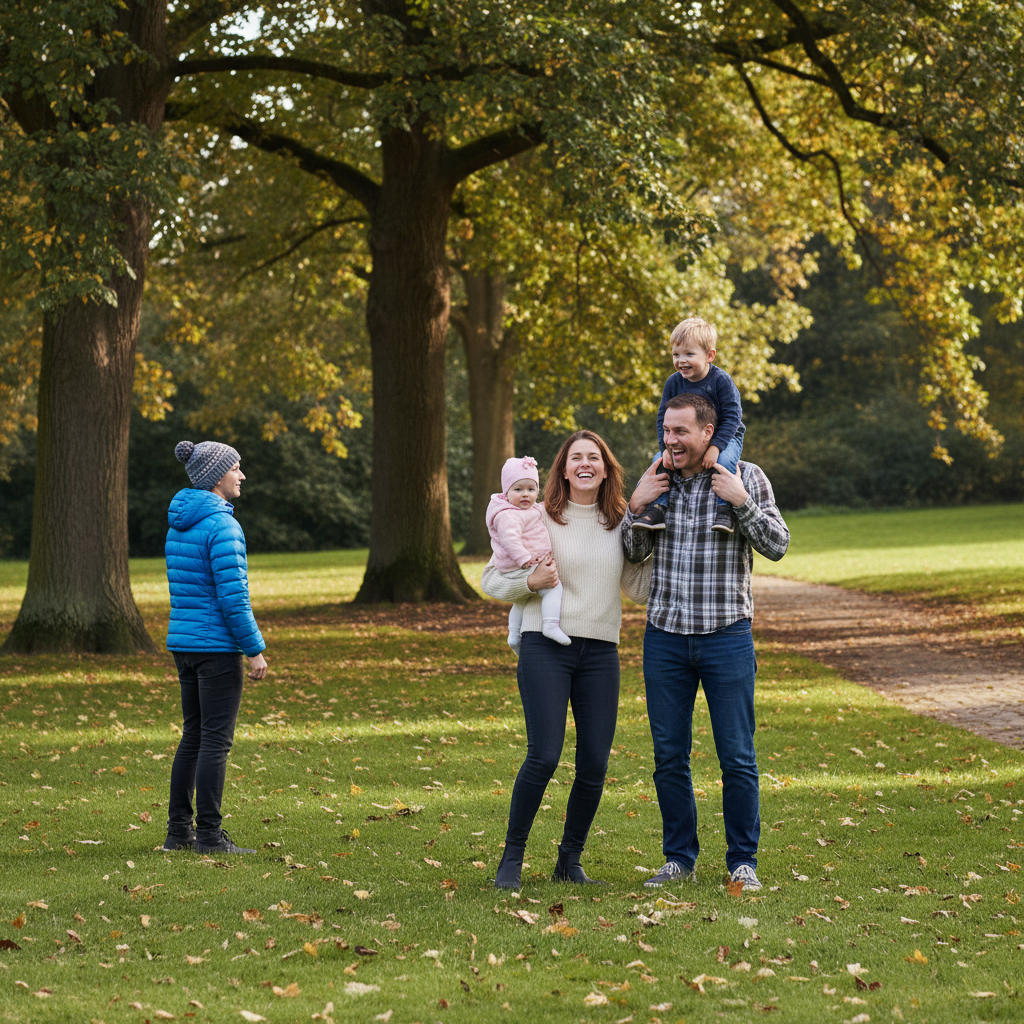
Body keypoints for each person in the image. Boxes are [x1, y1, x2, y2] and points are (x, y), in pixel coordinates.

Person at [622, 393, 789, 892]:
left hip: (726, 637)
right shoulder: (658, 480)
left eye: (680, 432)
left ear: (707, 433)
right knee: (668, 755)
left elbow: (778, 545)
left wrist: (741, 502)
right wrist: (635, 506)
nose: (670, 441)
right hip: (666, 639)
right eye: (666, 432)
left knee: (737, 755)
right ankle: (679, 857)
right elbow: (632, 552)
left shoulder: (746, 477)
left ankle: (743, 862)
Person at [481, 431, 651, 890]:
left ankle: (569, 860)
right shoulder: (538, 516)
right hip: (545, 647)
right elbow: (492, 581)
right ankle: (512, 859)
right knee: (544, 756)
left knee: (594, 763)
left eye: (594, 457)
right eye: (576, 456)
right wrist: (530, 582)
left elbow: (637, 589)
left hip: (600, 650)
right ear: (562, 468)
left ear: (606, 468)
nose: (585, 463)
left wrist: (661, 545)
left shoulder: (620, 523)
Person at [163, 440, 268, 856]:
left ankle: (178, 834)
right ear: (216, 476)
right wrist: (254, 649)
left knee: (193, 736)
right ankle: (208, 836)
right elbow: (233, 597)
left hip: (184, 644)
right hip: (217, 648)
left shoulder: (179, 522)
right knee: (215, 741)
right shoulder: (222, 526)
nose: (242, 475)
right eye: (236, 468)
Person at [632, 317, 746, 535]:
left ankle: (725, 510)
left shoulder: (720, 380)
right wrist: (665, 449)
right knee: (658, 461)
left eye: (689, 354)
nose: (681, 360)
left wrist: (716, 447)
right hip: (687, 439)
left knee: (723, 462)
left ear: (709, 356)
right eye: (676, 354)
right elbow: (662, 419)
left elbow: (732, 416)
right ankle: (657, 508)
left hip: (726, 434)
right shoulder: (673, 382)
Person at [486, 454, 570, 655]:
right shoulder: (508, 515)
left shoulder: (525, 509)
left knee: (521, 600)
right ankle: (550, 625)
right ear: (507, 492)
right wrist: (524, 559)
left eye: (531, 489)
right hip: (520, 563)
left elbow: (539, 510)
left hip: (520, 563)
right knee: (553, 587)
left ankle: (514, 635)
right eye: (518, 489)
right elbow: (510, 540)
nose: (525, 495)